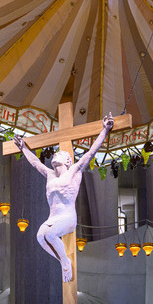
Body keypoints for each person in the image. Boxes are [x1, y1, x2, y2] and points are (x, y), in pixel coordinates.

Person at [15, 114, 114, 281]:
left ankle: (65, 263)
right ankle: (63, 260)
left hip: (67, 217)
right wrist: (23, 148)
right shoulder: (50, 174)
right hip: (52, 217)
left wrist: (105, 130)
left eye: (59, 154)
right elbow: (34, 163)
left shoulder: (74, 171)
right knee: (40, 237)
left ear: (68, 160)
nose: (55, 155)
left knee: (51, 234)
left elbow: (91, 152)